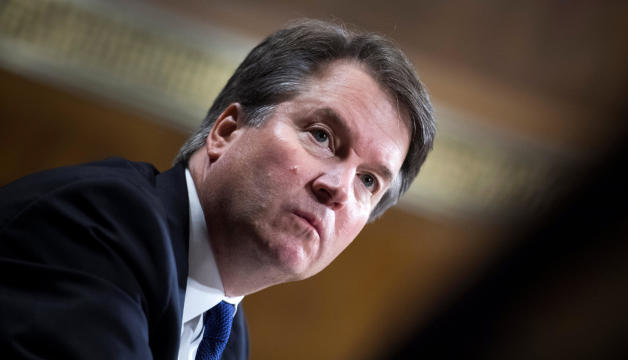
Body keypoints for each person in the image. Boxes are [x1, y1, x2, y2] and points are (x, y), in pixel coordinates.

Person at [0, 19, 435, 360]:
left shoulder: (223, 336)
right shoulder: (99, 222)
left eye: (368, 181)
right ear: (227, 130)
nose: (338, 189)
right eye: (321, 136)